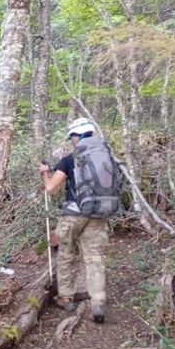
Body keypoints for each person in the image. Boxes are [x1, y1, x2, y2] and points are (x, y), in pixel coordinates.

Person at [39, 118, 108, 323]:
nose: (72, 141)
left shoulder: (69, 160)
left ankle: (66, 298)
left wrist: (45, 173)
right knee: (95, 259)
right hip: (98, 214)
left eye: (72, 138)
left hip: (73, 214)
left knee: (66, 254)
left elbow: (51, 188)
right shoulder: (105, 158)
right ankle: (98, 304)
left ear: (77, 137)